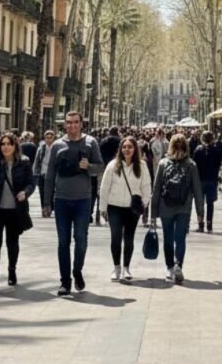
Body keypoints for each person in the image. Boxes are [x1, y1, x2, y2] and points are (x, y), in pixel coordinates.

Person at [43, 111, 104, 296]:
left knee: (81, 240)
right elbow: (50, 174)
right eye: (68, 123)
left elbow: (100, 166)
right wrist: (47, 202)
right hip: (61, 200)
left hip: (83, 201)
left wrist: (89, 167)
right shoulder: (57, 146)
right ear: (65, 125)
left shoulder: (91, 142)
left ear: (81, 124)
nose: (72, 126)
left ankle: (77, 271)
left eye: (75, 122)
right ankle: (65, 282)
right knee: (63, 242)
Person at [0, 132, 34, 294]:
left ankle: (12, 269)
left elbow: (31, 183)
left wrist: (25, 192)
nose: (5, 147)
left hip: (15, 211)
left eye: (9, 144)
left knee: (12, 243)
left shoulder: (24, 162)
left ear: (15, 145)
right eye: (3, 144)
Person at [151, 134, 203, 284]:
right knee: (180, 238)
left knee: (168, 238)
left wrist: (153, 214)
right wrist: (200, 212)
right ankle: (178, 265)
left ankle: (169, 268)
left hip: (165, 207)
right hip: (184, 208)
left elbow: (156, 189)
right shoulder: (191, 165)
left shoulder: (163, 163)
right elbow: (197, 190)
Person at [99, 136, 152, 282]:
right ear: (120, 149)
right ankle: (116, 267)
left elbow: (146, 186)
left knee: (129, 238)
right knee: (116, 237)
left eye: (130, 147)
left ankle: (126, 268)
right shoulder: (112, 166)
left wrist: (144, 203)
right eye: (124, 147)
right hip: (114, 206)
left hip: (132, 208)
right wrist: (102, 208)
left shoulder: (141, 166)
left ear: (135, 149)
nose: (127, 150)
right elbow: (104, 188)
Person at [192, 131, 222, 233]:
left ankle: (200, 224)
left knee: (199, 203)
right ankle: (209, 225)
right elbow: (219, 162)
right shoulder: (216, 150)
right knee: (210, 203)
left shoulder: (198, 150)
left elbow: (194, 164)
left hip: (200, 180)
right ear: (212, 139)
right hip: (211, 179)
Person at [33, 130, 56, 216]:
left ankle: (49, 207)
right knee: (42, 191)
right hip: (42, 172)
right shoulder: (41, 148)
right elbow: (37, 160)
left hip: (52, 172)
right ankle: (44, 208)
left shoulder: (56, 147)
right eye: (47, 137)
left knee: (51, 191)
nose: (49, 139)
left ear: (53, 138)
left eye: (51, 137)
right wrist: (34, 171)